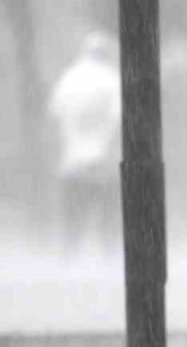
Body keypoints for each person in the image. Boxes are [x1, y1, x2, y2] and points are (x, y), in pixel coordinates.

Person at [47, 31, 122, 256]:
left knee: (72, 214)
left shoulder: (69, 78)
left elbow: (54, 112)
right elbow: (119, 117)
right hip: (103, 160)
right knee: (108, 214)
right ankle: (109, 254)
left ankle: (68, 256)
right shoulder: (111, 78)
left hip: (73, 160)